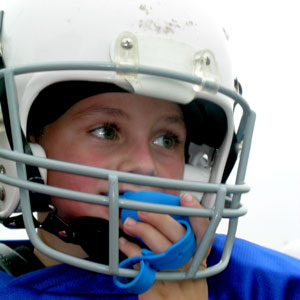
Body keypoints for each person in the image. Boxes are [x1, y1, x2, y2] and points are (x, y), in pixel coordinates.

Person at [0, 0, 299, 299]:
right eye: (106, 131)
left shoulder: (271, 287)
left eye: (166, 140)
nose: (145, 164)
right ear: (23, 147)